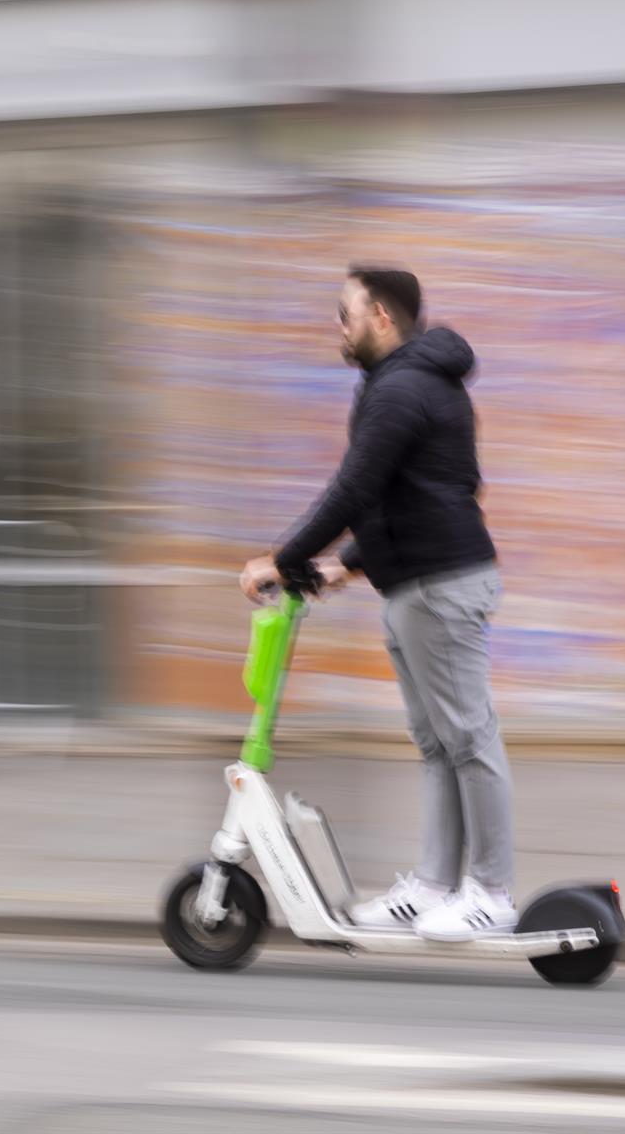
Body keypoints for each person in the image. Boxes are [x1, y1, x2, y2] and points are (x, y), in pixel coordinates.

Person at [240, 265, 512, 941]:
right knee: (438, 745)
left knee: (469, 739)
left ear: (382, 317)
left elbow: (355, 489)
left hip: (440, 588)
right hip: (414, 584)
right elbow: (429, 490)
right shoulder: (404, 385)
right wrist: (347, 565)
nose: (338, 326)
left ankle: (491, 893)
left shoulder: (404, 388)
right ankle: (433, 885)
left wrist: (282, 557)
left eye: (346, 312)